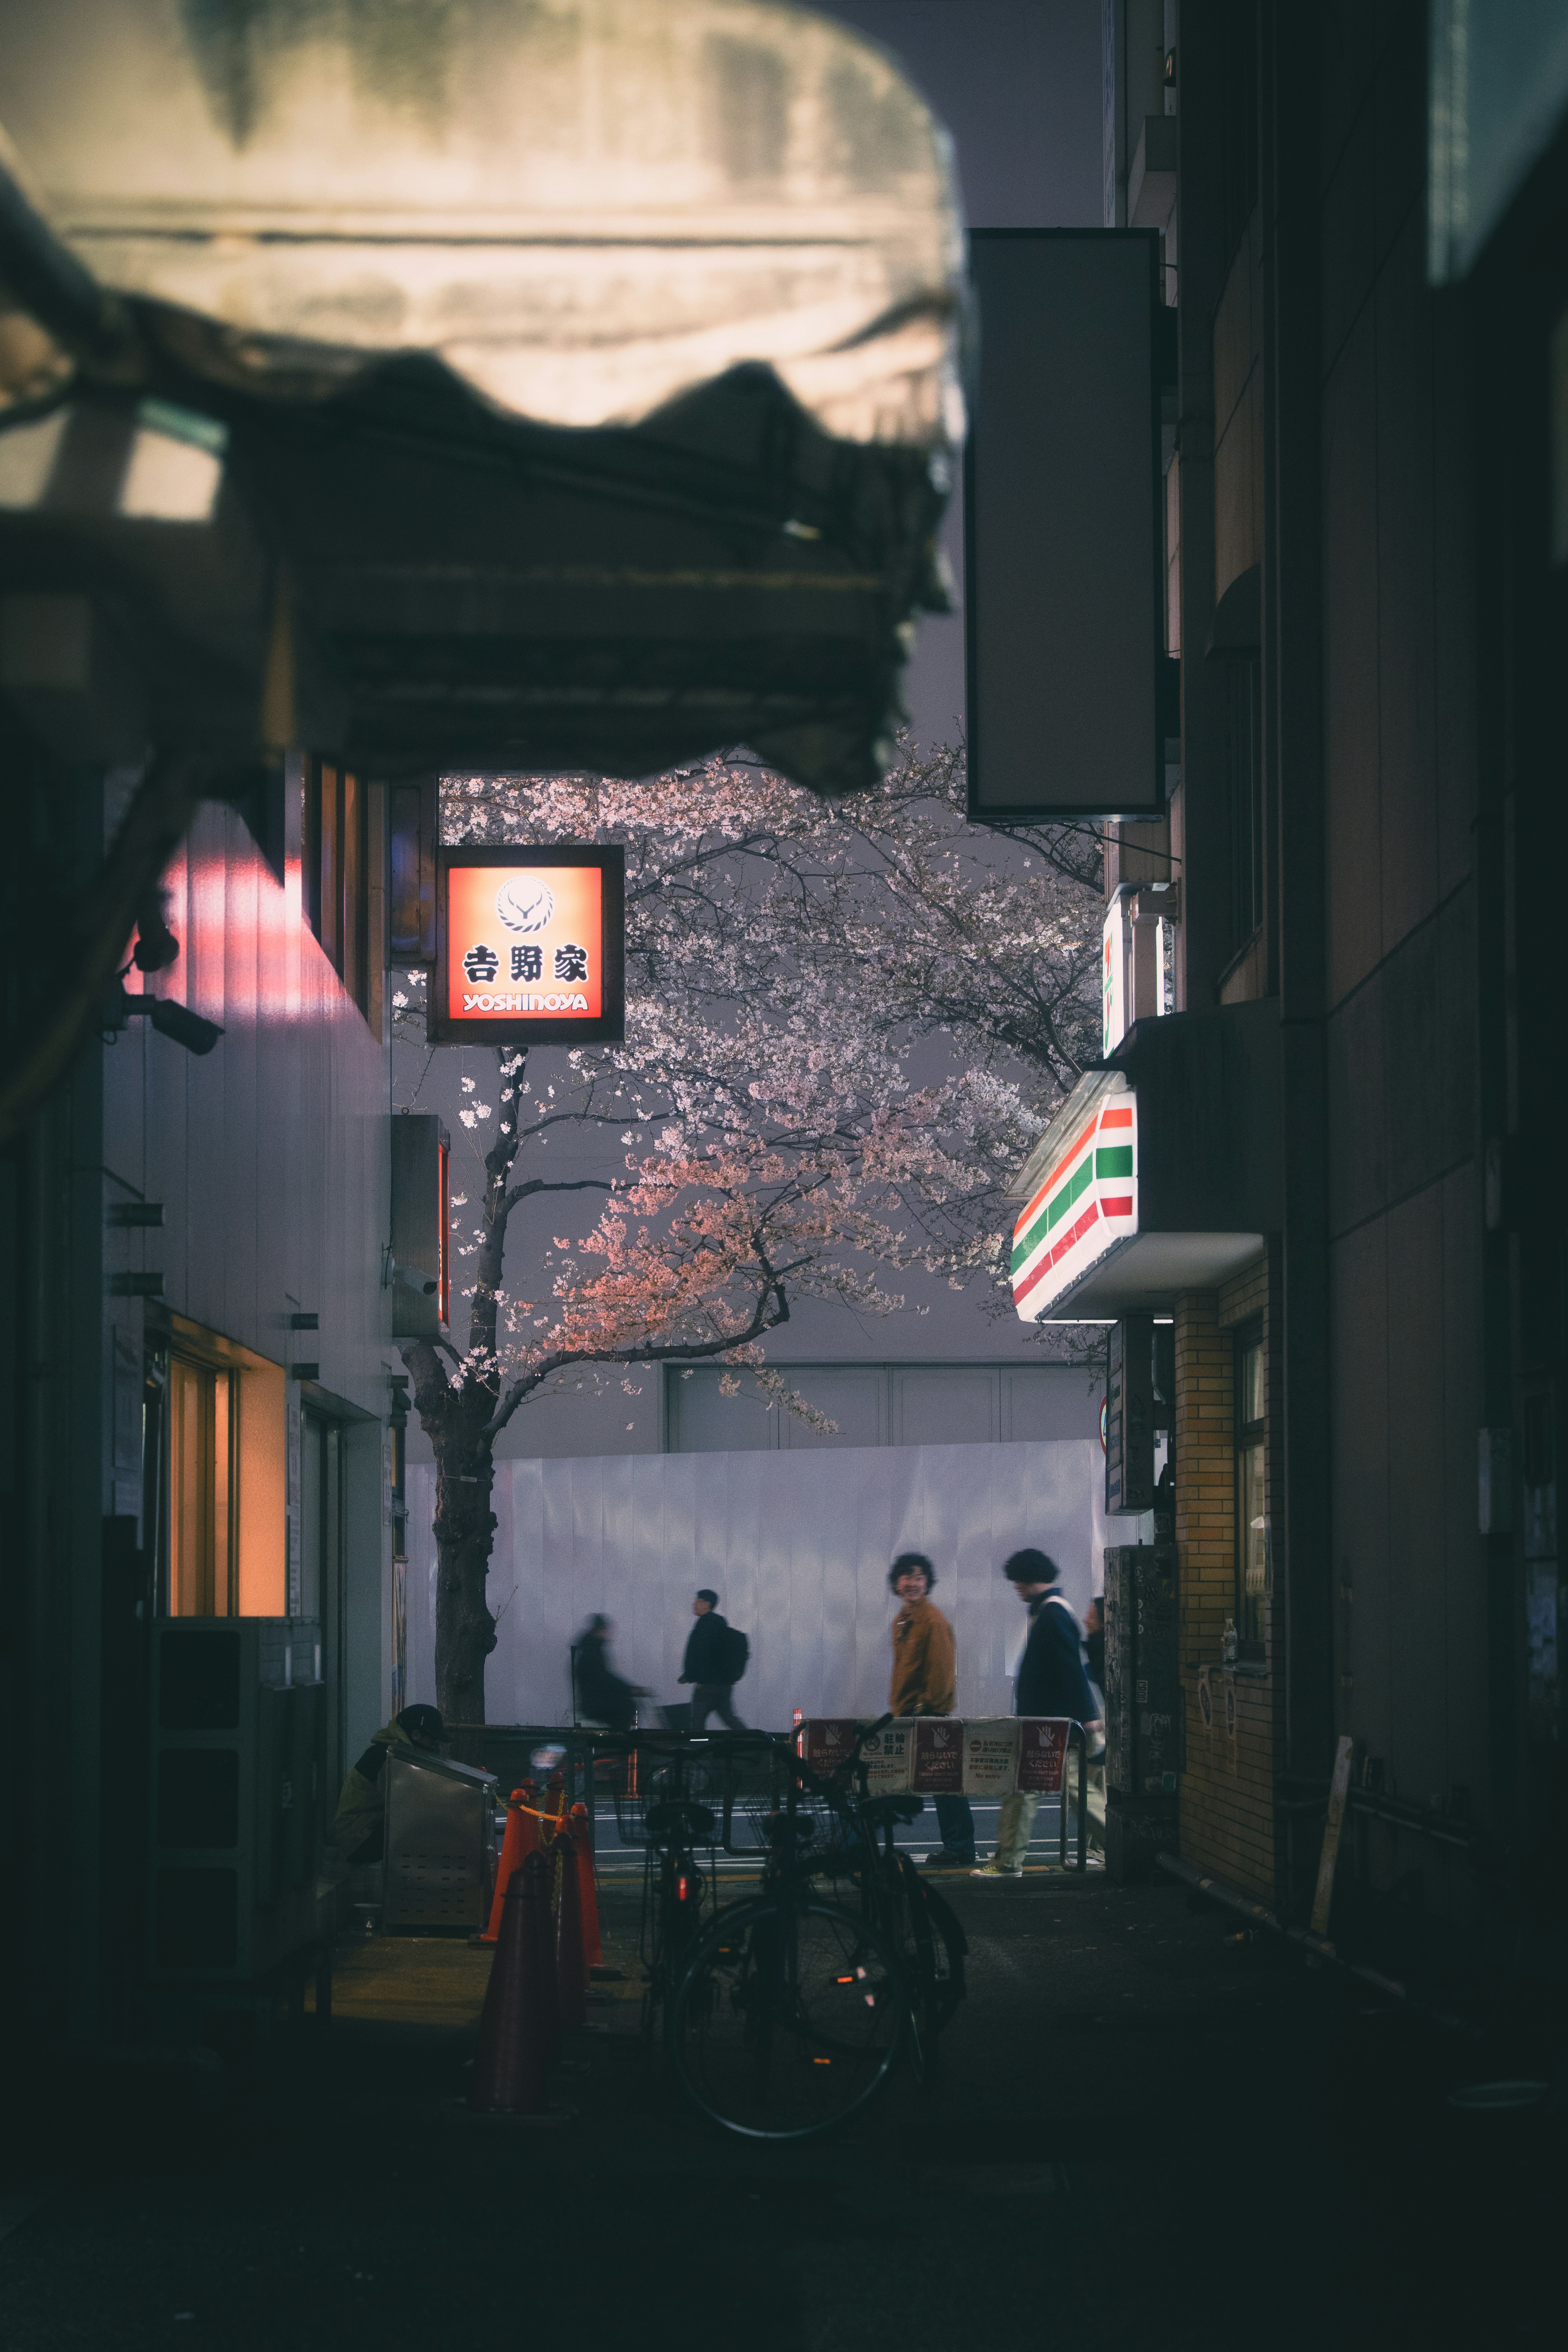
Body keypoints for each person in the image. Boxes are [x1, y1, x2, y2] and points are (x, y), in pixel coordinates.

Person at [973, 1550, 1106, 1877]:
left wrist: (1088, 1718)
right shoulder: (1049, 1612)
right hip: (1045, 1724)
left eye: (1018, 1580)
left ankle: (1008, 1862)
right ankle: (1007, 1860)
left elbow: (1069, 1670)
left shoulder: (1053, 1614)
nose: (1016, 1587)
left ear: (1030, 1578)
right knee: (1032, 1789)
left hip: (1050, 1725)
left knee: (1064, 1790)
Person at [886, 1551, 976, 1868]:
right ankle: (959, 1847)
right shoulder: (903, 1620)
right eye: (907, 1577)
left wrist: (928, 1711)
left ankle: (961, 1849)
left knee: (945, 1784)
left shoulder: (932, 1621)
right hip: (908, 1713)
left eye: (920, 1577)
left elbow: (940, 1672)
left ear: (928, 1584)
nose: (913, 1583)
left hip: (928, 1715)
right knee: (938, 1784)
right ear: (896, 1583)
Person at [331, 1704, 445, 1864]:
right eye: (432, 1740)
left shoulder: (397, 1752)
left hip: (365, 1830)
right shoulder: (389, 1758)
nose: (435, 1745)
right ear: (416, 1735)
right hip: (359, 1837)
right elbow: (408, 1805)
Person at [678, 1588, 748, 1731]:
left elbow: (702, 1654)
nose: (694, 1605)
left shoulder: (704, 1626)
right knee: (729, 1718)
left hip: (707, 1686)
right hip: (724, 1685)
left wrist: (698, 1679)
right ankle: (754, 1743)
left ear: (707, 1604)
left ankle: (699, 1751)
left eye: (698, 1601)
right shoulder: (719, 1626)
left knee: (697, 1722)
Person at [572, 1613, 642, 1731]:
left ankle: (618, 1740)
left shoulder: (589, 1649)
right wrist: (628, 1689)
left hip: (593, 1700)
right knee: (629, 1707)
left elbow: (602, 1677)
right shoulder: (593, 1651)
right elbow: (603, 1677)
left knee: (626, 1707)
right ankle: (620, 1741)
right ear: (599, 1631)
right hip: (596, 1703)